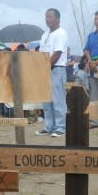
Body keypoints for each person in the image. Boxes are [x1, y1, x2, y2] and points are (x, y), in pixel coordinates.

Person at [36, 8, 68, 137]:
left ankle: (61, 127)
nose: (47, 19)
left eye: (50, 16)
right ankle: (49, 126)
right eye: (46, 17)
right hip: (45, 70)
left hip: (57, 69)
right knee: (46, 100)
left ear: (58, 19)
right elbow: (42, 53)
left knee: (58, 100)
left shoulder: (61, 33)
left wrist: (45, 65)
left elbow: (57, 53)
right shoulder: (45, 34)